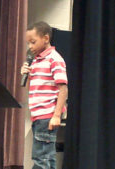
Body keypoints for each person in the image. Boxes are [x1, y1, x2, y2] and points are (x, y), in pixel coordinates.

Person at [21, 21, 68, 169]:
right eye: (28, 43)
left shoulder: (55, 59)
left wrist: (56, 115)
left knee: (42, 159)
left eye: (33, 42)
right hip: (38, 116)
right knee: (45, 159)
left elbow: (63, 89)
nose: (30, 47)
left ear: (46, 38)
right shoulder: (35, 61)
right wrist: (27, 75)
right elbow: (34, 89)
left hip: (47, 116)